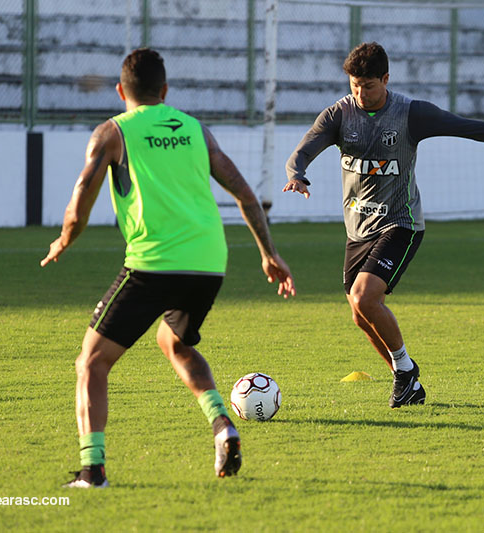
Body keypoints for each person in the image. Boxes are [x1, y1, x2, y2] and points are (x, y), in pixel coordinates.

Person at [41, 48, 296, 487]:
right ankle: (222, 426)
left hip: (153, 263)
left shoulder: (113, 132)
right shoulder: (196, 130)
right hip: (208, 262)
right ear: (164, 91)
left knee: (91, 363)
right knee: (174, 342)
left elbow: (83, 192)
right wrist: (268, 253)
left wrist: (65, 238)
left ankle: (92, 470)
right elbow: (245, 194)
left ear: (121, 91)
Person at [283, 42, 484, 408]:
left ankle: (405, 371)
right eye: (354, 84)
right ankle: (406, 382)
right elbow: (303, 151)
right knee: (361, 316)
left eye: (368, 85)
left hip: (400, 223)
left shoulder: (410, 114)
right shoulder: (340, 115)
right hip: (357, 230)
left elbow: (468, 127)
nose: (360, 93)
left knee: (364, 298)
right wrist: (297, 174)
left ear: (386, 79)